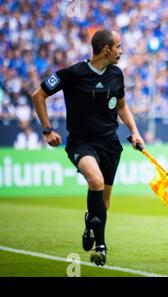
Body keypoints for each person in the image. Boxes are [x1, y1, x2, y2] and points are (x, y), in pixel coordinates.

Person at [31, 29, 144, 266]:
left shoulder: (116, 74)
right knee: (95, 181)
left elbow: (122, 106)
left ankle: (90, 223)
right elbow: (38, 95)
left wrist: (134, 132)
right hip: (81, 143)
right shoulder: (74, 73)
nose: (121, 50)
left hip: (110, 144)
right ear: (106, 49)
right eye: (118, 46)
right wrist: (47, 129)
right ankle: (101, 247)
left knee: (104, 203)